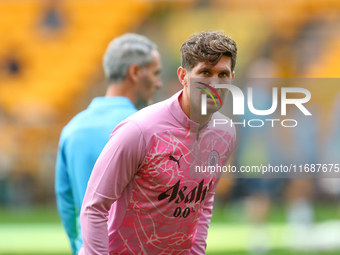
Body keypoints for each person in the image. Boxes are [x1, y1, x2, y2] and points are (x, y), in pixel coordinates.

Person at [79, 30, 237, 255]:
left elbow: (203, 203)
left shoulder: (225, 133)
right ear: (183, 76)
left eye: (223, 75)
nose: (214, 83)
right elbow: (94, 208)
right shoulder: (139, 131)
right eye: (205, 72)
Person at [55, 33, 162, 255]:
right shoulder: (150, 131)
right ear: (135, 72)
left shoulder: (72, 129)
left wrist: (80, 247)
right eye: (155, 73)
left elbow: (66, 201)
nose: (159, 83)